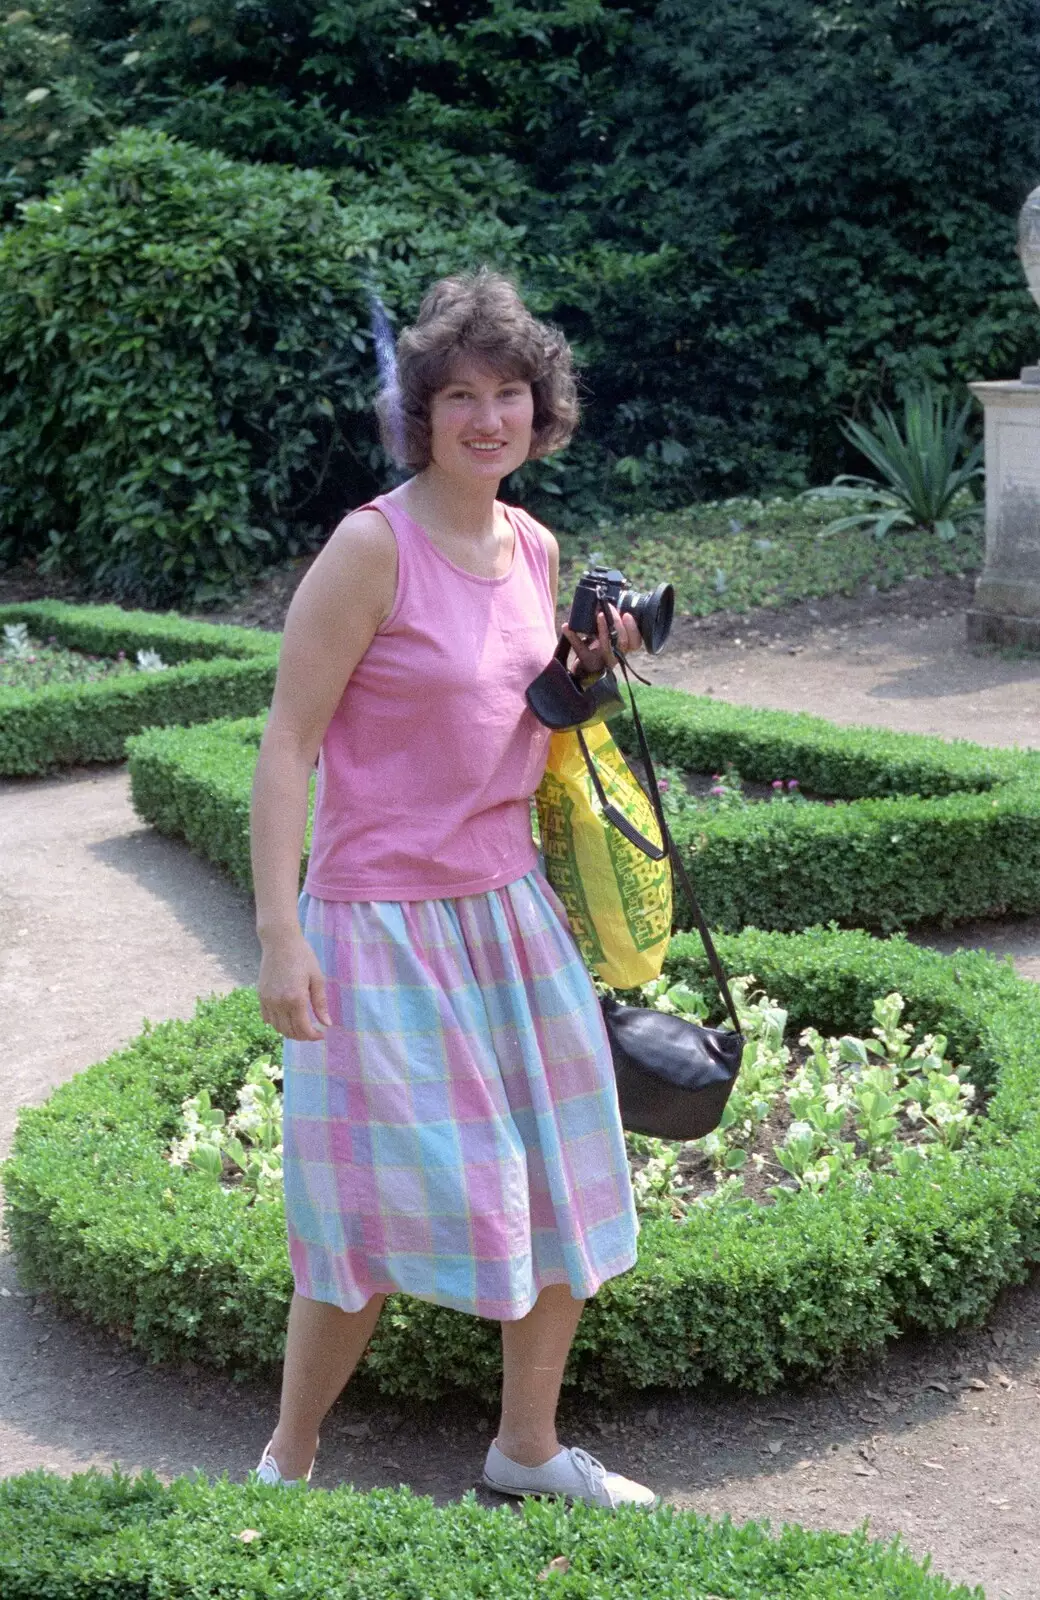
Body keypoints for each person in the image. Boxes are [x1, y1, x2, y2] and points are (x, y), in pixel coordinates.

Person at [249, 268, 656, 1509]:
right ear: (420, 415)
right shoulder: (369, 546)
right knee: (359, 1218)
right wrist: (279, 933)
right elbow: (286, 741)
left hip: (509, 912)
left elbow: (512, 717)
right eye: (460, 395)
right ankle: (288, 1458)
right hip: (380, 927)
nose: (489, 416)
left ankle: (524, 1450)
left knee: (564, 1177)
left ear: (542, 409)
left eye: (511, 393)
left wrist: (590, 662)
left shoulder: (528, 542)